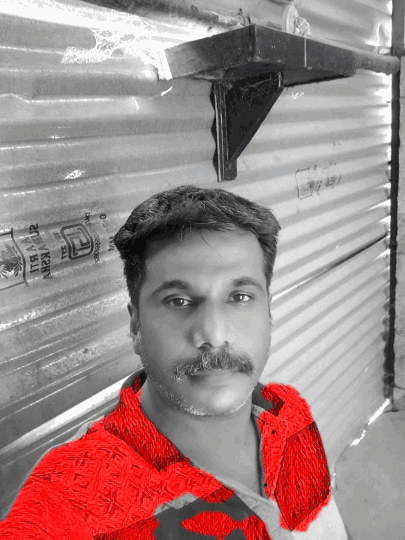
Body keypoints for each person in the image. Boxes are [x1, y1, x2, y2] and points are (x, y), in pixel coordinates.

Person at [0, 184, 349, 539]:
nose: (214, 334)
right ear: (135, 324)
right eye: (178, 301)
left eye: (240, 297)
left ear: (268, 311)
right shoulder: (67, 505)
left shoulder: (288, 414)